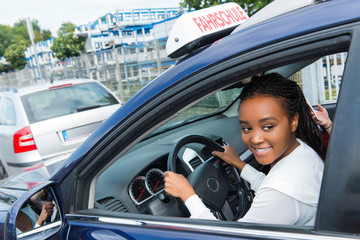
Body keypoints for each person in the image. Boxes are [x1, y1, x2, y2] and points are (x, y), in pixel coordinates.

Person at [164, 73, 326, 226]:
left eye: (268, 126)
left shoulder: (279, 196)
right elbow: (271, 185)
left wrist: (187, 194)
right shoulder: (300, 150)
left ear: (293, 122)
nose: (255, 139)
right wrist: (237, 163)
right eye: (247, 128)